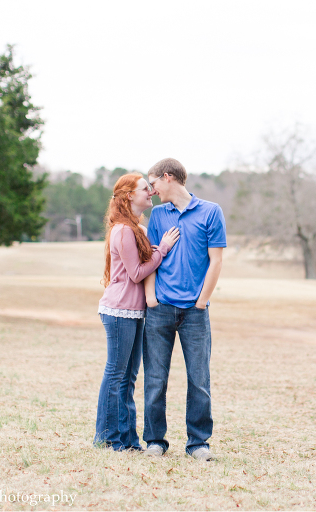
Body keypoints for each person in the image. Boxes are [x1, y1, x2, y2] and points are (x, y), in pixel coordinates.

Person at [142, 158, 226, 462]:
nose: (151, 190)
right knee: (155, 379)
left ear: (168, 177)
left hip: (195, 313)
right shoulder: (158, 215)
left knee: (199, 380)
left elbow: (216, 260)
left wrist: (201, 302)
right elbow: (150, 258)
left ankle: (198, 443)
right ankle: (155, 441)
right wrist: (151, 298)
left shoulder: (211, 212)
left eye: (153, 183)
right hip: (160, 309)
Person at [95, 173, 179, 451]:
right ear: (130, 195)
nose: (150, 192)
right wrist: (163, 249)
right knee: (116, 375)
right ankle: (108, 438)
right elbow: (136, 273)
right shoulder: (123, 230)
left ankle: (128, 440)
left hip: (133, 311)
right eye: (145, 188)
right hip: (120, 311)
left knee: (127, 378)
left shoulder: (136, 228)